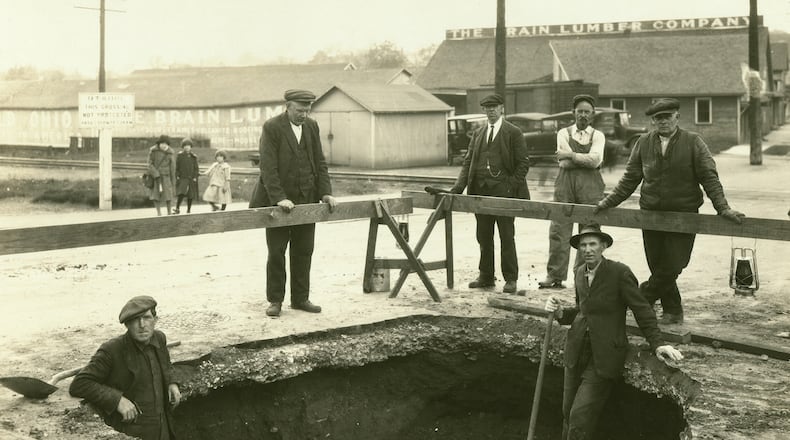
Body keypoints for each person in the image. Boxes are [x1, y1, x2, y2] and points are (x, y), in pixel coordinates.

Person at [594, 98, 745, 324]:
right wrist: (608, 202)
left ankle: (638, 299)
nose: (662, 121)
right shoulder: (643, 143)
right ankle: (673, 311)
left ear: (677, 117)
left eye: (667, 116)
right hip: (651, 215)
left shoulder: (694, 142)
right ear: (653, 121)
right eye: (658, 118)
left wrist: (723, 208)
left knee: (673, 265)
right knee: (657, 265)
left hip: (684, 216)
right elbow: (630, 179)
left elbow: (709, 177)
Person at [544, 224, 683, 440]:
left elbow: (642, 309)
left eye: (593, 244)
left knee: (580, 416)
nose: (588, 249)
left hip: (605, 356)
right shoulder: (580, 273)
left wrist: (658, 343)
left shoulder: (619, 273)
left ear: (604, 246)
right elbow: (583, 311)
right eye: (583, 246)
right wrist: (561, 312)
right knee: (567, 413)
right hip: (576, 351)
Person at [249, 89, 337, 317]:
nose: (303, 115)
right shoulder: (272, 127)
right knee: (277, 252)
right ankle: (275, 300)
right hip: (278, 203)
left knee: (304, 250)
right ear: (287, 106)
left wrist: (326, 192)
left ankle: (300, 299)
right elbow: (268, 168)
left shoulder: (311, 126)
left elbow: (319, 162)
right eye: (299, 110)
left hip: (307, 199)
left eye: (307, 110)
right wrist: (279, 198)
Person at [450, 93, 530, 294]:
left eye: (494, 107)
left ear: (502, 108)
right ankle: (486, 276)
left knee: (506, 236)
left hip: (504, 194)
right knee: (483, 236)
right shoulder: (478, 133)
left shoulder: (514, 132)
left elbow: (523, 163)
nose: (491, 110)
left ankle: (510, 279)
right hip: (480, 192)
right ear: (483, 110)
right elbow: (468, 161)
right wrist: (458, 188)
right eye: (487, 107)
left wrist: (510, 186)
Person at [69, 296, 181, 440]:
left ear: (155, 320)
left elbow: (166, 363)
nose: (142, 325)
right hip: (131, 431)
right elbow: (80, 384)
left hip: (162, 426)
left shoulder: (159, 338)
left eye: (147, 318)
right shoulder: (112, 350)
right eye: (135, 319)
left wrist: (172, 382)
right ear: (127, 324)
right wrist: (117, 400)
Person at [539, 94, 606, 290]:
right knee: (559, 229)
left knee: (589, 232)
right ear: (573, 113)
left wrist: (571, 155)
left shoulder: (598, 136)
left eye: (587, 112)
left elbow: (596, 160)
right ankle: (555, 275)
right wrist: (580, 158)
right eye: (580, 111)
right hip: (565, 185)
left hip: (591, 187)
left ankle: (584, 276)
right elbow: (564, 162)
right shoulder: (563, 133)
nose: (583, 115)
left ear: (592, 114)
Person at [147, 135, 176, 216]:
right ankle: (158, 213)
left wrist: (173, 181)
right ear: (159, 144)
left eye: (166, 144)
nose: (164, 145)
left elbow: (172, 168)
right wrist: (155, 174)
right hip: (156, 177)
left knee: (168, 195)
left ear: (168, 145)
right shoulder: (153, 151)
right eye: (162, 143)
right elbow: (149, 164)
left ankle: (169, 212)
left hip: (166, 177)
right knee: (155, 195)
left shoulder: (170, 153)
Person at [173, 138, 199, 214]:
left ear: (191, 147)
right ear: (183, 147)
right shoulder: (180, 156)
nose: (187, 147)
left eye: (188, 146)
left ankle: (188, 209)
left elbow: (196, 168)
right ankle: (177, 208)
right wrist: (177, 175)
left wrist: (195, 177)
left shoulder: (193, 157)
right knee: (181, 193)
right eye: (185, 146)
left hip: (191, 178)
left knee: (190, 195)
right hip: (182, 177)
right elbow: (177, 167)